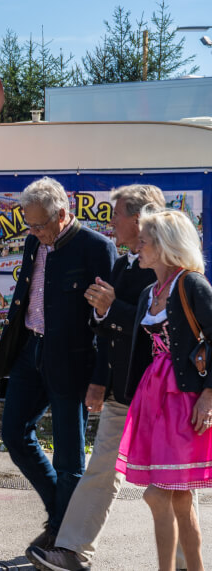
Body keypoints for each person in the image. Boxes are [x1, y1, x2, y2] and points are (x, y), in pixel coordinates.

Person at [27, 185, 173, 571]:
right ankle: (72, 551)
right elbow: (107, 330)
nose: (111, 221)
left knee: (173, 489)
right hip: (122, 391)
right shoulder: (125, 265)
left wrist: (114, 308)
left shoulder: (173, 270)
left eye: (117, 214)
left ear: (140, 219)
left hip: (160, 393)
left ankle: (183, 563)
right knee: (101, 471)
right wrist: (99, 377)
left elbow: (159, 328)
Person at [0, 177, 116, 555]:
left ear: (63, 214)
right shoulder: (35, 241)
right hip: (32, 350)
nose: (34, 232)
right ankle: (59, 516)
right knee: (14, 434)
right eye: (29, 224)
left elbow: (109, 324)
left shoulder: (97, 248)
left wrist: (100, 380)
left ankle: (63, 537)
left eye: (40, 225)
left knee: (68, 457)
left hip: (73, 360)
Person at [116, 209, 212, 571]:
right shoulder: (148, 293)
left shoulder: (191, 284)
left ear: (166, 246)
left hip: (184, 398)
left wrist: (208, 395)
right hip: (153, 397)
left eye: (144, 241)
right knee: (178, 499)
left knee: (159, 494)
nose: (136, 246)